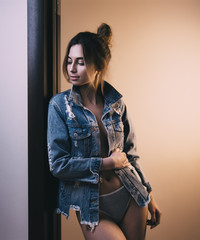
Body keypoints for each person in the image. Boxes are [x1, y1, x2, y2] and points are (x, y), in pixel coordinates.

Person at [47, 23, 161, 240]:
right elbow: (59, 165)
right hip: (92, 206)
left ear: (98, 65)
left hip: (132, 197)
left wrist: (150, 193)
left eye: (80, 62)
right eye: (69, 61)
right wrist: (107, 163)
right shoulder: (59, 106)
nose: (72, 68)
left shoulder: (117, 103)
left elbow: (131, 155)